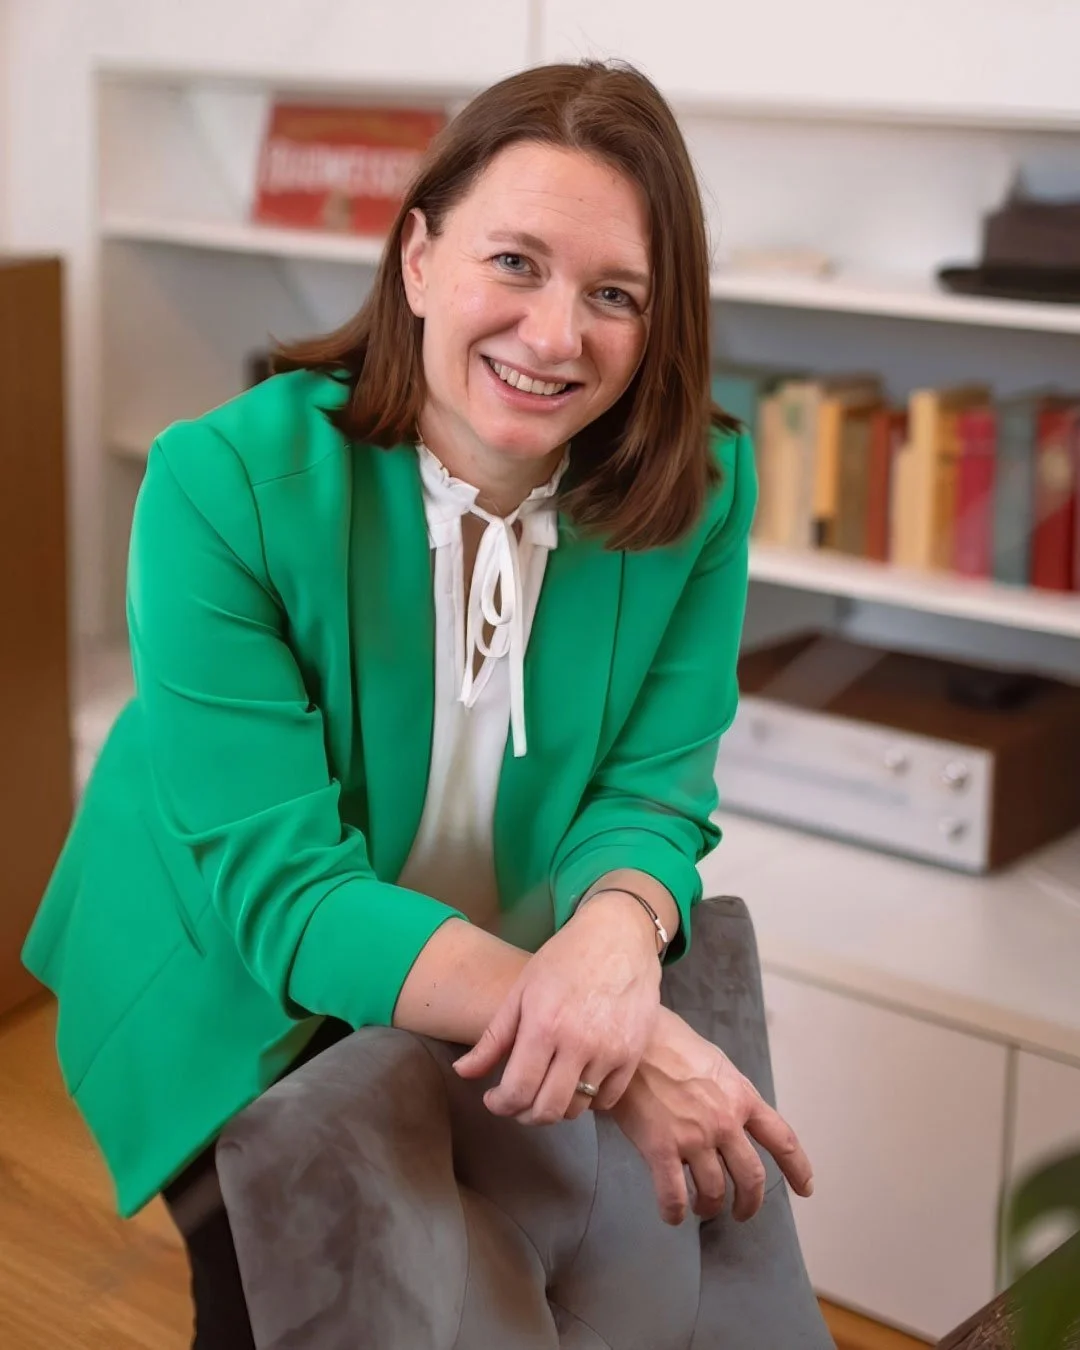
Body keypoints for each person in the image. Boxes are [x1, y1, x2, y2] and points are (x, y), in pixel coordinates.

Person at [23, 59, 814, 1348]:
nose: (557, 336)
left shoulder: (703, 491)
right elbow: (290, 902)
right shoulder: (217, 484)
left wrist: (617, 937)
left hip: (509, 965)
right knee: (277, 1314)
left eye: (615, 294)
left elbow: (651, 786)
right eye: (515, 263)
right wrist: (626, 1054)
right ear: (417, 261)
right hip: (245, 987)